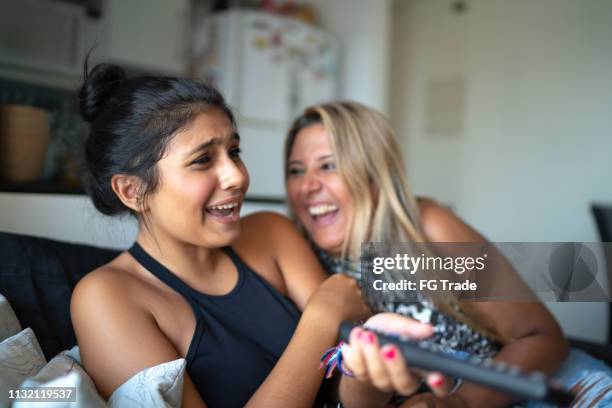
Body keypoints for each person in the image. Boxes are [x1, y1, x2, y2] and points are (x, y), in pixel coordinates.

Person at [70, 63, 370, 407]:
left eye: (234, 152)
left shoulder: (272, 233)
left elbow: (344, 382)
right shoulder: (106, 298)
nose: (237, 177)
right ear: (132, 190)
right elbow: (329, 324)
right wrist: (322, 317)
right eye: (203, 160)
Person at [284, 101, 584, 407]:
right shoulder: (298, 256)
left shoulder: (427, 229)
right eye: (296, 171)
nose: (306, 186)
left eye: (328, 165)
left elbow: (543, 338)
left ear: (374, 176)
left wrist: (462, 403)